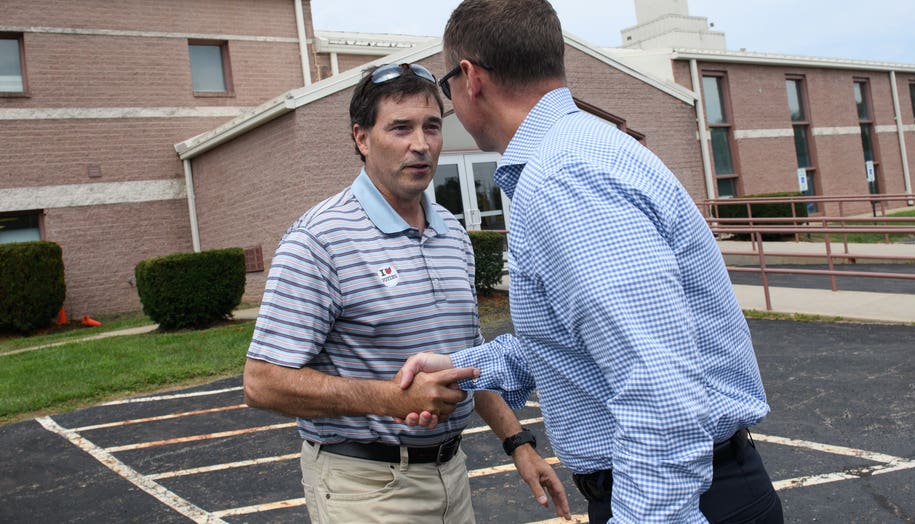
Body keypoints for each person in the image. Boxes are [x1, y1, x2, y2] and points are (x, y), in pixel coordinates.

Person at [398, 1, 784, 522]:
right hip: (703, 489)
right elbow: (586, 346)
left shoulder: (562, 180)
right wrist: (472, 368)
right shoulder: (590, 149)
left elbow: (660, 391)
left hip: (675, 502)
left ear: (470, 78)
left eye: (446, 89)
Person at [242, 62, 569, 523]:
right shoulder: (319, 240)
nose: (421, 144)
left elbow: (468, 361)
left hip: (452, 474)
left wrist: (518, 444)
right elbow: (262, 382)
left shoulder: (452, 233)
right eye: (400, 128)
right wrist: (393, 399)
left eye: (431, 127)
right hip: (365, 486)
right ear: (361, 138)